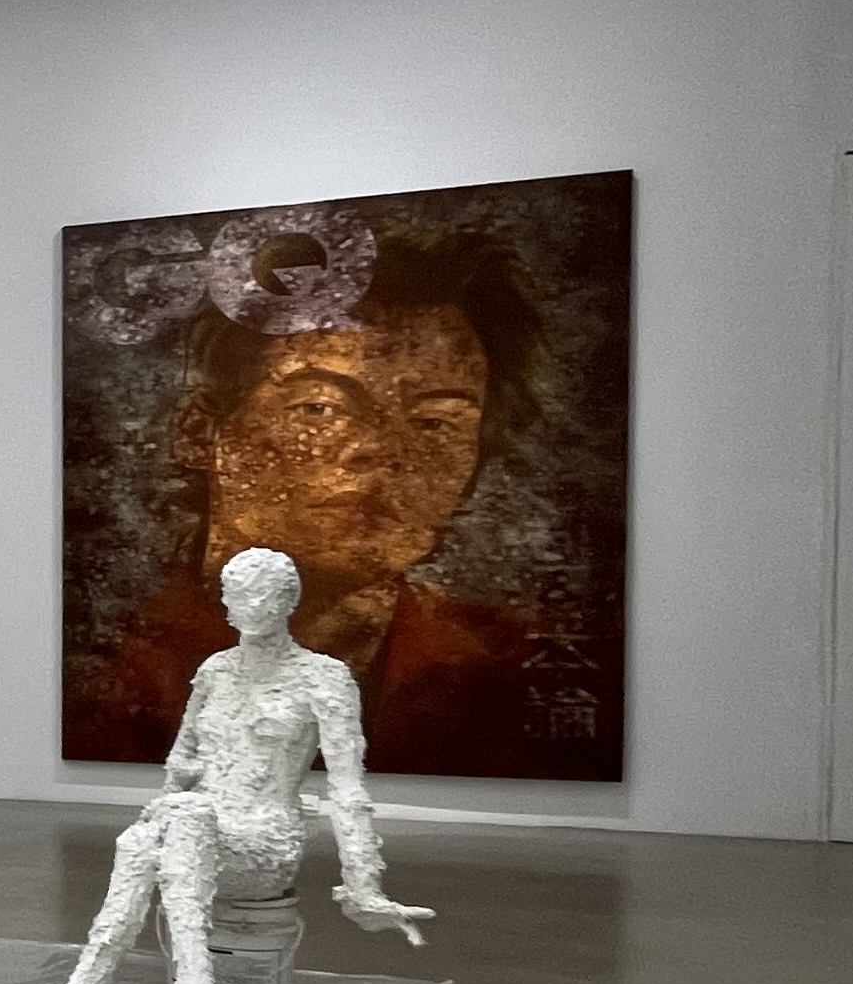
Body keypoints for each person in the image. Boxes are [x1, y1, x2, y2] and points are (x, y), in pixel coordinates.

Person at [65, 222, 599, 777]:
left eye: (435, 422)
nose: (381, 450)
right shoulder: (105, 684)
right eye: (320, 408)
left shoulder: (512, 675)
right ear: (201, 432)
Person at [27, 547, 434, 984]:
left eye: (260, 595)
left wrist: (364, 887)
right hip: (196, 833)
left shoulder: (324, 679)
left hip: (266, 845)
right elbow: (181, 764)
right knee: (144, 838)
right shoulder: (215, 671)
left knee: (181, 824)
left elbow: (347, 790)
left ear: (289, 601)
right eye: (235, 595)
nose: (246, 606)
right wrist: (161, 815)